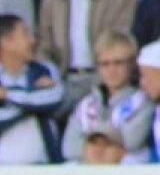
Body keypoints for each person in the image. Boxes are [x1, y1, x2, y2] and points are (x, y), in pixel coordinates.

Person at [37, 0, 137, 117]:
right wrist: (48, 73)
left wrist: (104, 78)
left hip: (103, 79)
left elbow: (120, 39)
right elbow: (44, 39)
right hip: (63, 79)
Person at [0, 14, 64, 164]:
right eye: (25, 34)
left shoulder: (45, 70)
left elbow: (56, 98)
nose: (32, 40)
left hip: (45, 170)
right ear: (6, 43)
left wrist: (5, 93)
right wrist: (35, 105)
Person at [62, 31, 154, 163]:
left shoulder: (143, 101)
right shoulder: (86, 104)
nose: (112, 70)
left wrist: (93, 147)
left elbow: (131, 142)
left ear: (132, 64)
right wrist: (104, 151)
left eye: (118, 63)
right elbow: (68, 148)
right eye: (105, 64)